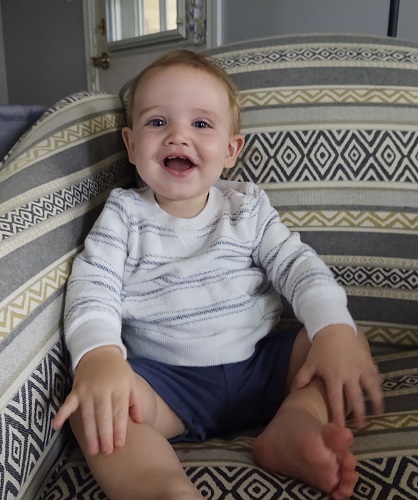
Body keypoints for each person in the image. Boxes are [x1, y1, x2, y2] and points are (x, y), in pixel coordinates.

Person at [53, 49, 383, 500]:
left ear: (231, 150)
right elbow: (93, 286)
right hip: (167, 387)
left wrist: (332, 329)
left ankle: (294, 424)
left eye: (201, 124)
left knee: (341, 341)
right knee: (92, 407)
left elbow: (298, 266)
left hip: (263, 368)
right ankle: (162, 488)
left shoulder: (247, 208)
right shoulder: (123, 216)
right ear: (130, 145)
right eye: (157, 122)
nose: (178, 136)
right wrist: (98, 358)